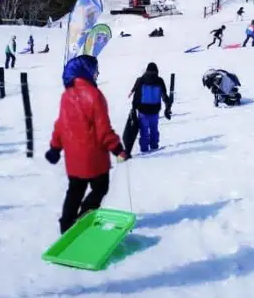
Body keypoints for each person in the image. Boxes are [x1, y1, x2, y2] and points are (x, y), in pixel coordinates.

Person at [45, 55, 128, 234]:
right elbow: (103, 129)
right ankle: (84, 219)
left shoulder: (66, 95)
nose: (97, 74)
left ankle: (66, 226)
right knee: (101, 186)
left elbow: (61, 124)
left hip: (73, 160)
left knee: (75, 190)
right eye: (96, 70)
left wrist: (55, 148)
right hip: (94, 158)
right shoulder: (95, 95)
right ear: (87, 71)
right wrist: (118, 149)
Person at [129, 62, 172, 153]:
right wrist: (167, 106)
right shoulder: (159, 81)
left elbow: (137, 96)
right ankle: (154, 147)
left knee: (144, 132)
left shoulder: (141, 80)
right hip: (155, 112)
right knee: (154, 130)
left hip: (143, 112)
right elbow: (164, 95)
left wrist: (133, 108)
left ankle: (144, 150)